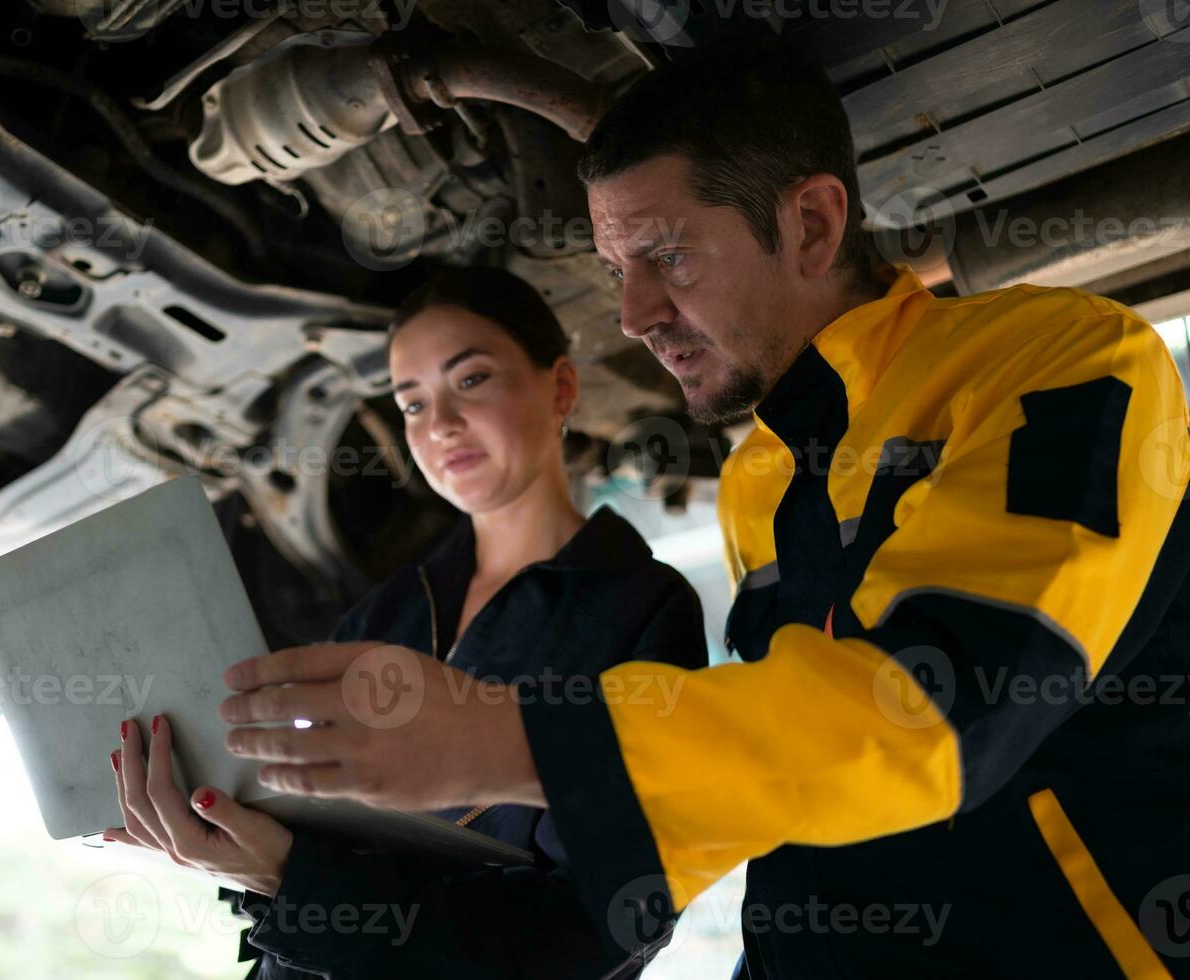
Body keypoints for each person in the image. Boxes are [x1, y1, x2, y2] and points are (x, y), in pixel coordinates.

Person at [216, 49, 1190, 980]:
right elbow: (733, 803)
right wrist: (297, 871)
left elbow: (934, 716)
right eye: (615, 270)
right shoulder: (757, 480)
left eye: (669, 255)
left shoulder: (1060, 360)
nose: (634, 313)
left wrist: (498, 736)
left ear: (811, 225)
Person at [104, 266, 708, 978]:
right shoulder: (381, 613)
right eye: (412, 403)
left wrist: (295, 885)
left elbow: (598, 930)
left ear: (562, 388)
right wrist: (234, 842)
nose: (440, 424)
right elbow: (315, 843)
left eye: (471, 379)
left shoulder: (639, 606)